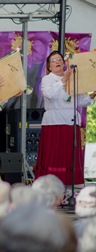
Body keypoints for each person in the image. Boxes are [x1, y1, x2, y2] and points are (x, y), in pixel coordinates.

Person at [36, 51, 96, 186]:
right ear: (49, 66)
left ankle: (70, 185)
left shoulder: (73, 77)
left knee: (68, 155)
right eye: (53, 60)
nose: (57, 62)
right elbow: (49, 94)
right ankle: (51, 184)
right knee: (54, 154)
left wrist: (91, 96)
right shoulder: (48, 79)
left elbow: (79, 101)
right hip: (54, 122)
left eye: (59, 59)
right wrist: (63, 79)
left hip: (71, 120)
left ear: (64, 63)